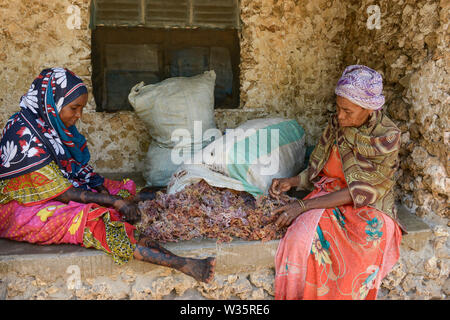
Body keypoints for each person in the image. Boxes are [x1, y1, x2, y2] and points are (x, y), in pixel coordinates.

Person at [0, 67, 215, 283]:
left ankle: (162, 205)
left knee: (121, 190)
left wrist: (107, 193)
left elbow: (75, 172)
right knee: (95, 220)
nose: (79, 116)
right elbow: (60, 192)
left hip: (57, 191)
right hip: (23, 208)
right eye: (74, 108)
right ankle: (184, 264)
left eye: (81, 109)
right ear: (51, 104)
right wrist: (113, 201)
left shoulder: (49, 125)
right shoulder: (22, 134)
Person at [269, 65, 405, 300]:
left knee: (366, 245)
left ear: (369, 109)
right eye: (338, 108)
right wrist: (292, 181)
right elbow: (319, 168)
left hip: (367, 204)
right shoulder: (337, 125)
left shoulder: (387, 137)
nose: (340, 116)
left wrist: (302, 206)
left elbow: (362, 191)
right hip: (329, 192)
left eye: (347, 111)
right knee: (301, 241)